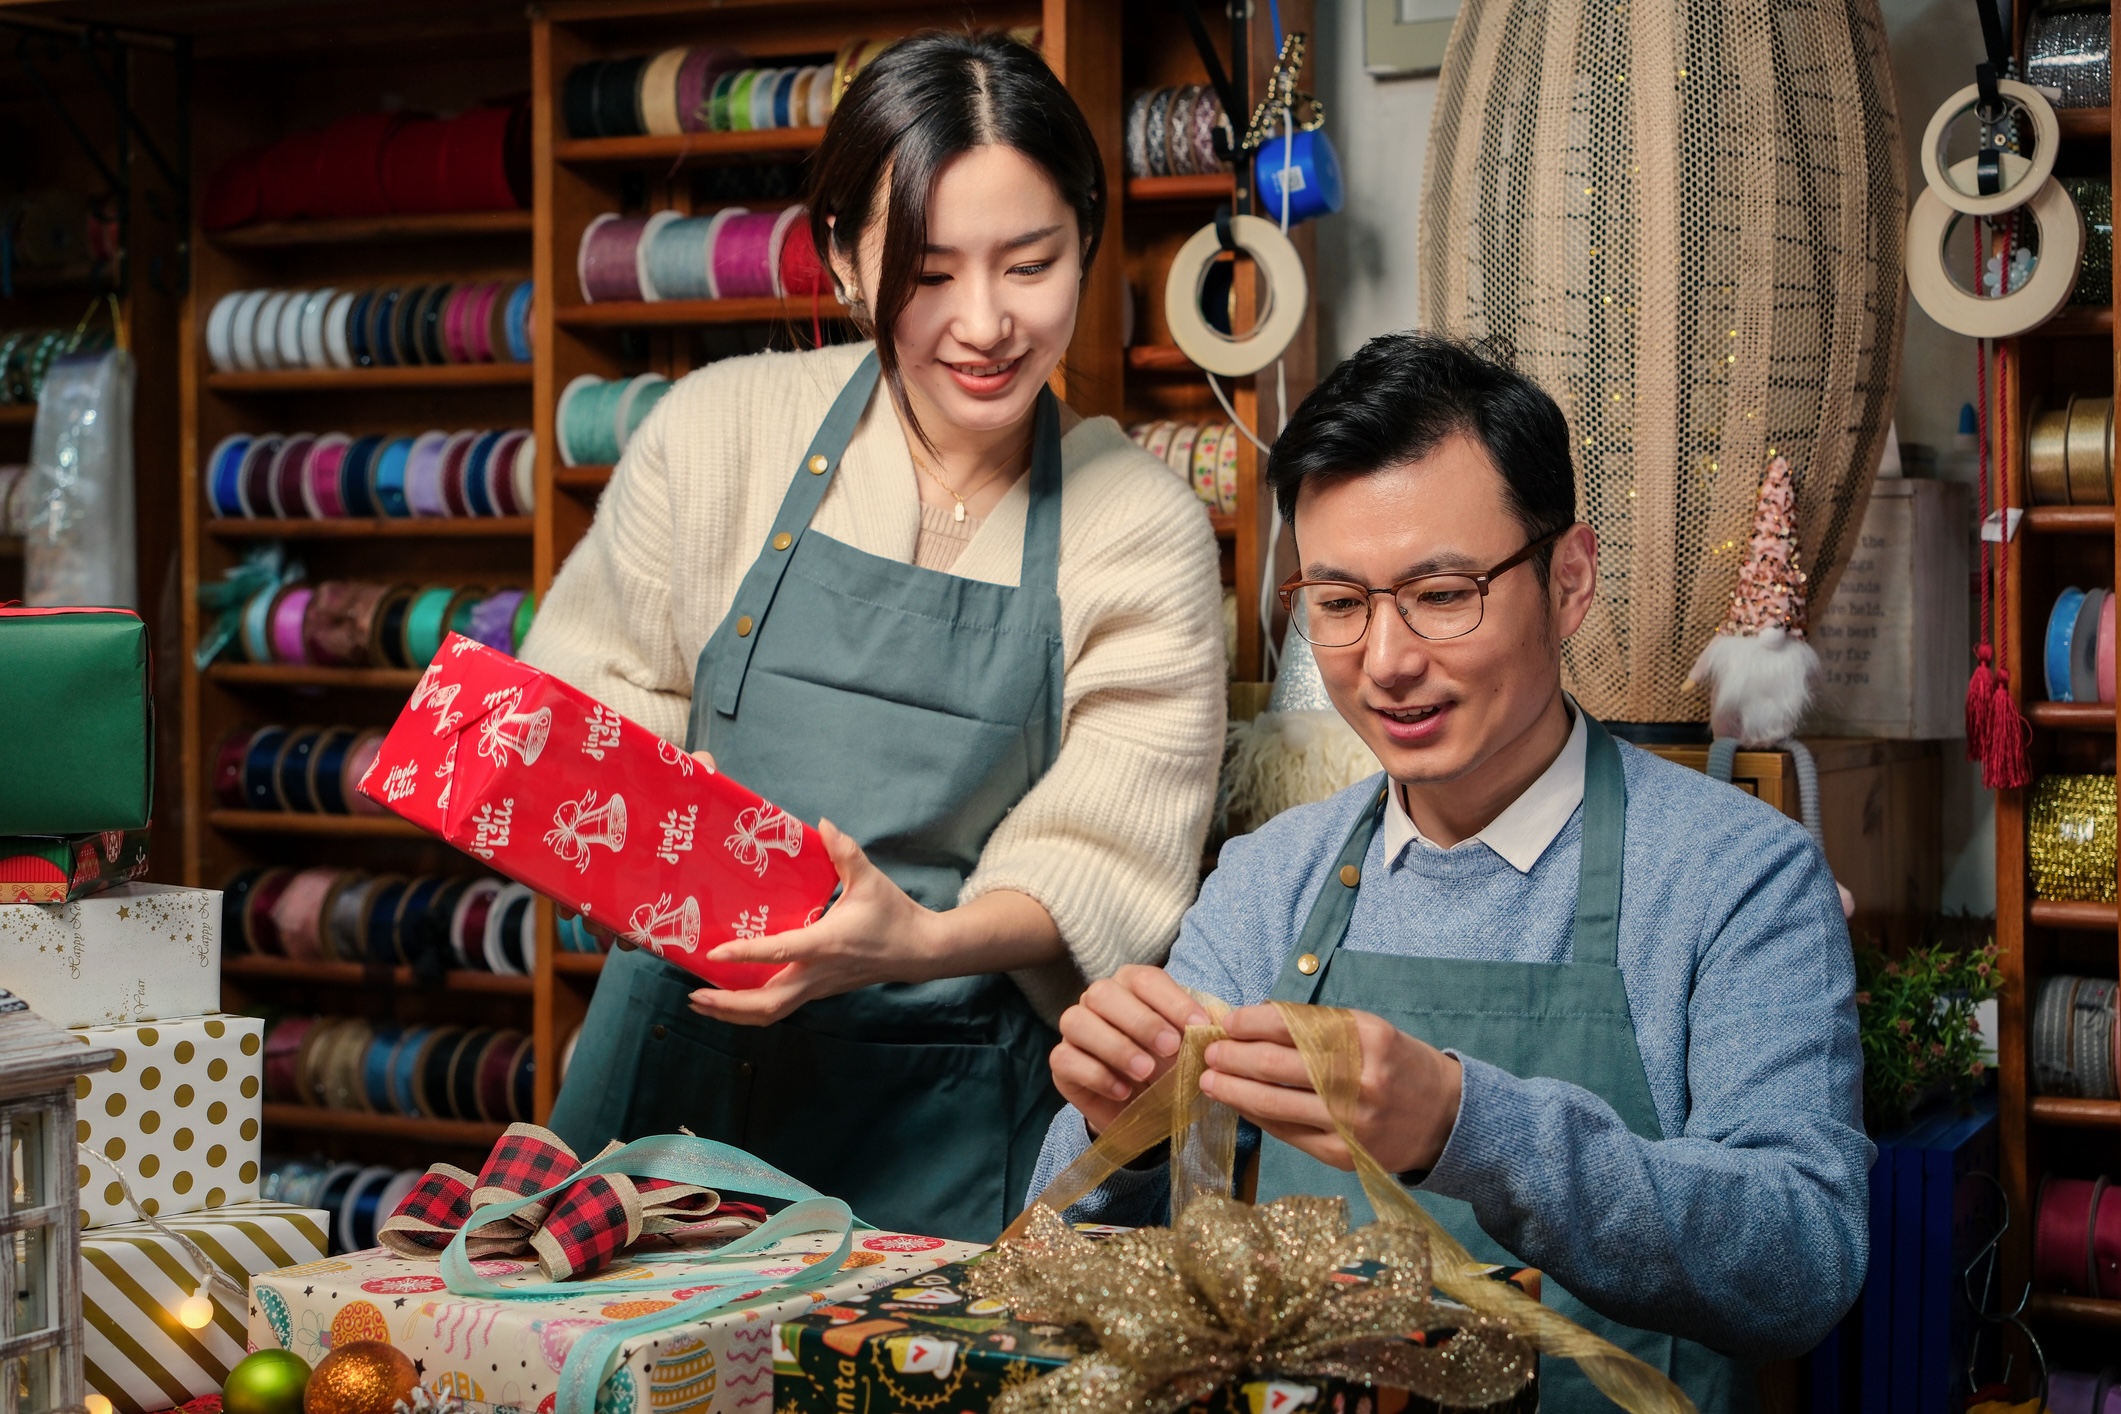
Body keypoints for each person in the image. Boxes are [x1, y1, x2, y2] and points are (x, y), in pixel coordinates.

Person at [1031, 333, 1869, 1411]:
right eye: (1338, 603)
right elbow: (1059, 1269)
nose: (1386, 660)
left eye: (1441, 592)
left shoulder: (1736, 874)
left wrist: (1467, 1125)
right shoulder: (1269, 879)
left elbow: (1805, 1257)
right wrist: (1114, 1131)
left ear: (1569, 580)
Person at [522, 30, 1227, 1243]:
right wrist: (689, 894)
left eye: (1030, 262)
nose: (987, 322)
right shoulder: (717, 433)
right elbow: (586, 704)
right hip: (671, 1096)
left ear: (1087, 242)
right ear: (844, 257)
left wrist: (916, 942)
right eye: (930, 269)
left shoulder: (1140, 523)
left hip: (950, 1111)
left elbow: (1107, 858)